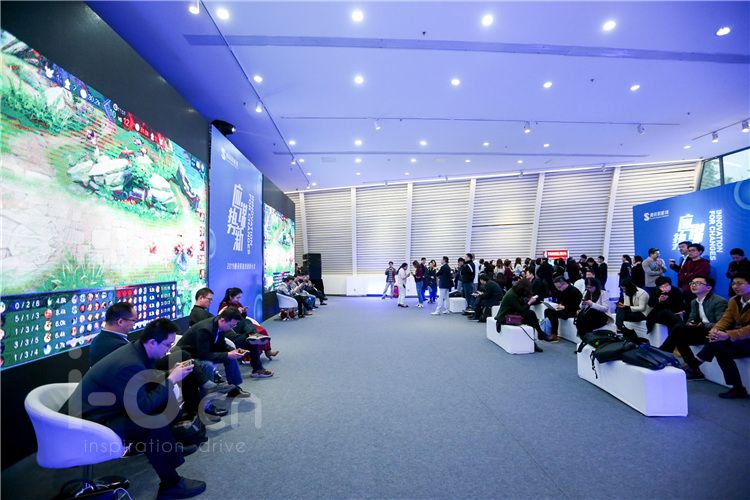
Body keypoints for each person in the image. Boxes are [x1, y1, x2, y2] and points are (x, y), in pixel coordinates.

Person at [64, 318, 206, 499]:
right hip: (89, 423)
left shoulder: (138, 351)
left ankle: (168, 450)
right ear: (152, 342)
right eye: (167, 345)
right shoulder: (129, 363)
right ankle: (172, 485)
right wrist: (171, 380)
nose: (169, 349)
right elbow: (143, 406)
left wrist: (170, 374)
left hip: (105, 411)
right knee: (152, 422)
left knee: (164, 404)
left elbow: (143, 382)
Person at [90, 302, 223, 420]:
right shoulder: (116, 348)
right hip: (120, 392)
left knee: (184, 361)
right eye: (133, 321)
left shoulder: (107, 338)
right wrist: (170, 377)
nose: (134, 324)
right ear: (120, 322)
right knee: (184, 365)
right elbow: (137, 378)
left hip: (132, 378)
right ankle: (194, 406)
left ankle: (195, 405)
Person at [691, 272, 750, 398]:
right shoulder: (734, 300)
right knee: (721, 350)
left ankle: (693, 364)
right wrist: (716, 330)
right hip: (741, 340)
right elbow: (726, 319)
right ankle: (738, 388)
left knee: (720, 343)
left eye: (740, 283)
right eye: (733, 283)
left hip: (746, 339)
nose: (735, 286)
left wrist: (728, 334)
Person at [177, 307, 266, 392]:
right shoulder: (205, 330)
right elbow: (204, 355)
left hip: (199, 353)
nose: (232, 328)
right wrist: (228, 354)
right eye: (231, 325)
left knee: (231, 358)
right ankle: (207, 397)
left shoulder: (218, 325)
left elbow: (221, 344)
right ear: (223, 320)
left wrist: (233, 350)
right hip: (187, 356)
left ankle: (234, 388)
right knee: (208, 364)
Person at [659, 275, 727, 380]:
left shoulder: (719, 301)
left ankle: (662, 354)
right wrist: (691, 324)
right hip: (701, 331)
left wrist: (703, 325)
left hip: (714, 333)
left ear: (708, 288)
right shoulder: (694, 302)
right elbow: (691, 319)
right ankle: (695, 371)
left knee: (678, 329)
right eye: (692, 283)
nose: (693, 285)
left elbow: (721, 324)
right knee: (679, 335)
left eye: (698, 283)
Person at [218, 287, 278, 360]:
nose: (239, 300)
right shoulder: (224, 305)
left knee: (262, 330)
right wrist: (238, 312)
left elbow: (243, 317)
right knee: (246, 321)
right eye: (237, 298)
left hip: (241, 324)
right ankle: (253, 335)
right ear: (230, 297)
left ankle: (268, 351)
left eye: (240, 298)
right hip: (232, 327)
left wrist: (244, 312)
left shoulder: (237, 304)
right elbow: (226, 319)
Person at [494, 279, 545, 352]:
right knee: (531, 314)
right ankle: (539, 334)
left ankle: (535, 340)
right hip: (505, 318)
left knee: (530, 318)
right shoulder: (512, 295)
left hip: (510, 315)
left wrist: (527, 301)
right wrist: (529, 302)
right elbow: (521, 309)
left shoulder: (514, 292)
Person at [543, 277, 582, 342]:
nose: (558, 289)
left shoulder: (574, 291)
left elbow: (576, 305)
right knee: (547, 311)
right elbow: (561, 301)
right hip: (565, 309)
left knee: (553, 313)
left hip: (572, 311)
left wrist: (564, 307)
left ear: (564, 284)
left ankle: (554, 334)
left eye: (559, 287)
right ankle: (547, 331)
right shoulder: (562, 290)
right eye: (556, 287)